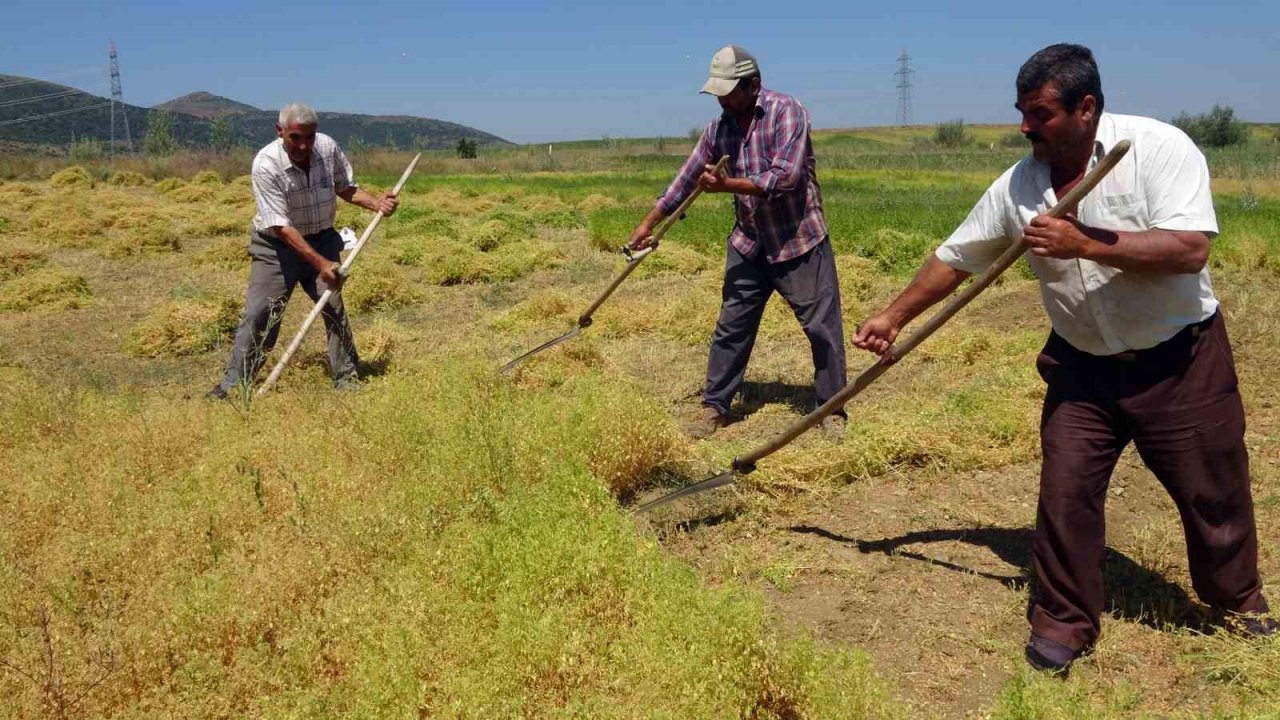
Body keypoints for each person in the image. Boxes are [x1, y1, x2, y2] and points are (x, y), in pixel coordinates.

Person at [852, 43, 1273, 674]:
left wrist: (1084, 242)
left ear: (1086, 107)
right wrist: (891, 316)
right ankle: (1063, 621)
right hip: (1082, 367)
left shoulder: (1158, 149)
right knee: (1065, 494)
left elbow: (1189, 250)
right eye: (1021, 111)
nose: (1026, 126)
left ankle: (1235, 598)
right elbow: (956, 257)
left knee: (1214, 492)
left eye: (1040, 113)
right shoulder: (1019, 185)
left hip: (1179, 360)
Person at [629, 45, 847, 439]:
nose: (722, 99)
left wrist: (727, 185)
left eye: (729, 91)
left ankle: (832, 409)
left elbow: (786, 178)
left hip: (797, 240)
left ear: (754, 85)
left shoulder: (787, 112)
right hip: (749, 241)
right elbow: (686, 178)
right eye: (718, 92)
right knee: (732, 326)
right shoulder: (719, 128)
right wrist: (648, 224)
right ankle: (715, 407)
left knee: (821, 328)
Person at [209, 102, 398, 399]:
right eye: (296, 137)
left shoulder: (327, 148)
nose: (304, 144)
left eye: (309, 137)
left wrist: (377, 203)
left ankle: (347, 379)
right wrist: (322, 264)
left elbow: (345, 186)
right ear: (280, 131)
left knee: (333, 308)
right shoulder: (266, 164)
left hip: (322, 237)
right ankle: (234, 385)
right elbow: (281, 227)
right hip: (275, 248)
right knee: (261, 312)